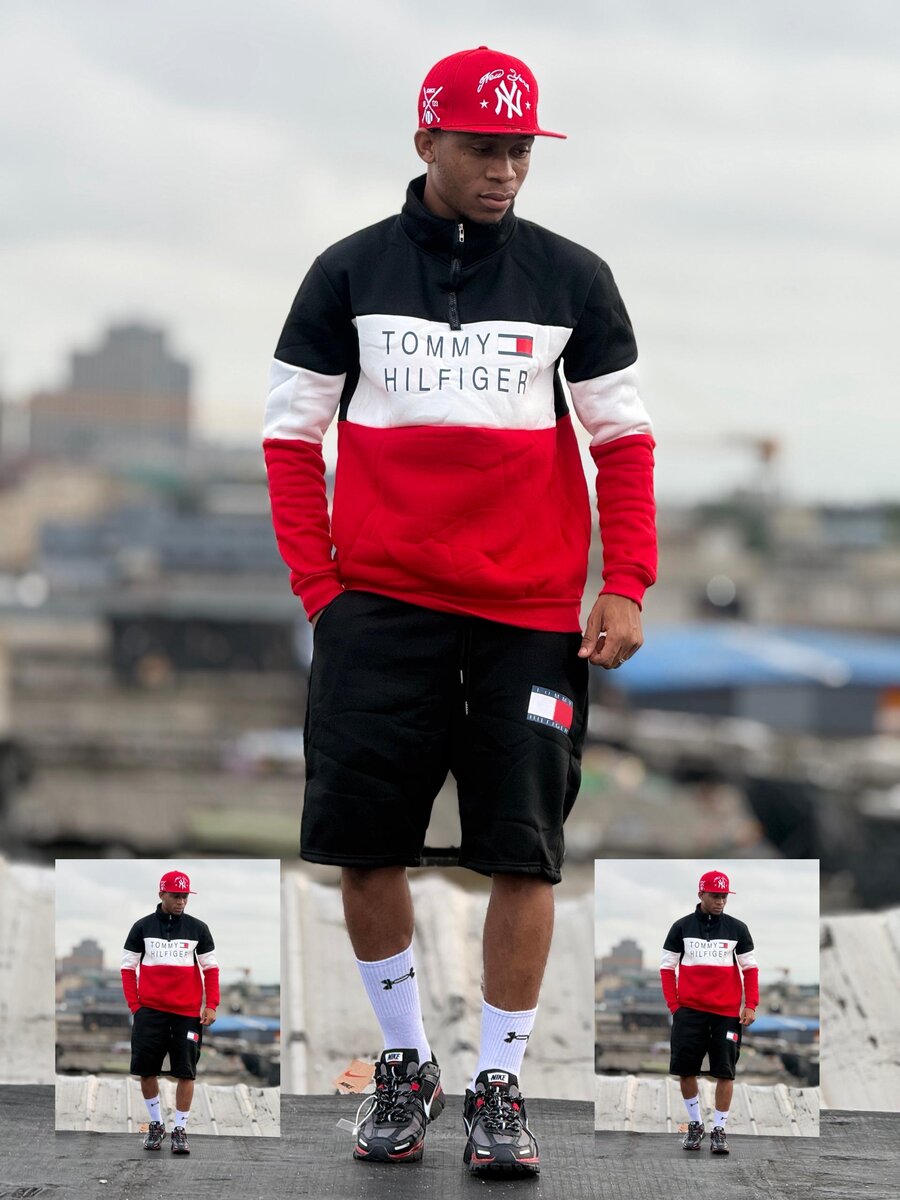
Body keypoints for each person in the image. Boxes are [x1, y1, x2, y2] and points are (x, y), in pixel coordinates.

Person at [264, 45, 656, 1175]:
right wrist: (323, 593)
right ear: (427, 140)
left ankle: (498, 1084)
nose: (505, 171)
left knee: (526, 853)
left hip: (530, 614)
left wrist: (625, 579)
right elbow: (291, 439)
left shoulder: (573, 278)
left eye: (521, 151)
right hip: (379, 610)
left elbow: (623, 440)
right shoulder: (346, 272)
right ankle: (405, 1064)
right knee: (363, 844)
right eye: (484, 148)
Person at [659, 870, 759, 1155]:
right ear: (701, 894)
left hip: (726, 1013)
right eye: (715, 896)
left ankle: (719, 1129)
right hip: (689, 1012)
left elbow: (750, 969)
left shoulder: (738, 929)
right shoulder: (681, 927)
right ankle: (695, 1125)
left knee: (725, 1072)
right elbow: (667, 968)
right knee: (685, 1070)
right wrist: (675, 1007)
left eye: (724, 896)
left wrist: (750, 1004)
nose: (720, 902)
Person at [121, 870, 219, 1155]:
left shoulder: (198, 929)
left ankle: (179, 1129)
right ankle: (156, 1125)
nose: (181, 902)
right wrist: (136, 1007)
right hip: (150, 1012)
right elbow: (127, 968)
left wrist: (211, 1004)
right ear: (161, 894)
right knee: (146, 1070)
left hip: (187, 1013)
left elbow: (211, 969)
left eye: (185, 896)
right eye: (176, 896)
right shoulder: (142, 927)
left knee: (186, 1072)